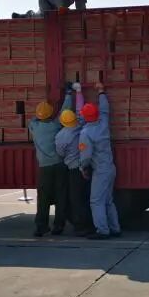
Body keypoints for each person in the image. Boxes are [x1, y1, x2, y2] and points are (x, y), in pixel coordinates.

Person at [28, 85, 73, 236]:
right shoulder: (56, 126)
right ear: (51, 114)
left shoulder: (34, 126)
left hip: (45, 167)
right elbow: (64, 112)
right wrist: (68, 94)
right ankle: (58, 226)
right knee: (61, 195)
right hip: (59, 165)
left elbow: (34, 118)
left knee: (43, 197)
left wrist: (42, 110)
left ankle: (41, 226)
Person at [79, 81, 121, 239]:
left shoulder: (86, 134)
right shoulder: (103, 122)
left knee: (96, 201)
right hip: (110, 167)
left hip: (100, 171)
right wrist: (101, 91)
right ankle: (115, 228)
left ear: (85, 117)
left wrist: (83, 168)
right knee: (108, 200)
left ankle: (102, 230)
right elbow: (104, 108)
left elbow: (85, 156)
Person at [54, 82, 94, 236]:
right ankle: (91, 223)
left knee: (75, 199)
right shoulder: (81, 124)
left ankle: (80, 226)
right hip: (86, 166)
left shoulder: (61, 136)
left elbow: (60, 153)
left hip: (73, 170)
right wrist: (78, 92)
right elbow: (79, 109)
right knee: (86, 196)